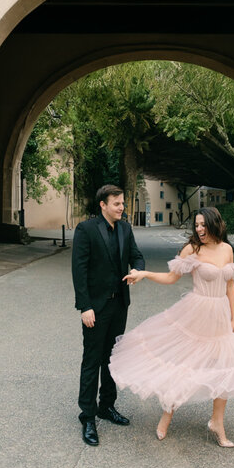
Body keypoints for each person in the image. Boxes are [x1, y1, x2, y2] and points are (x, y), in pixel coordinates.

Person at [109, 207, 234, 447]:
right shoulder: (193, 249)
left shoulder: (227, 250)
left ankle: (217, 422)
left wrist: (233, 318)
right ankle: (167, 414)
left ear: (214, 223)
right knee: (185, 363)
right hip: (197, 314)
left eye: (203, 225)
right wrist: (145, 273)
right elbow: (171, 278)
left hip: (221, 315)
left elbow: (230, 286)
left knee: (226, 366)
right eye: (196, 225)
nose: (199, 229)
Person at [72, 184, 145, 446]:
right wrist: (85, 306)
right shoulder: (86, 229)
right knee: (92, 359)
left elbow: (137, 256)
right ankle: (88, 416)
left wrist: (138, 270)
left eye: (123, 203)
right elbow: (79, 270)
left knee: (113, 358)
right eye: (117, 204)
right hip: (95, 308)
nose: (122, 208)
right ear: (103, 204)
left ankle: (106, 406)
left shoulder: (126, 228)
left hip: (119, 306)